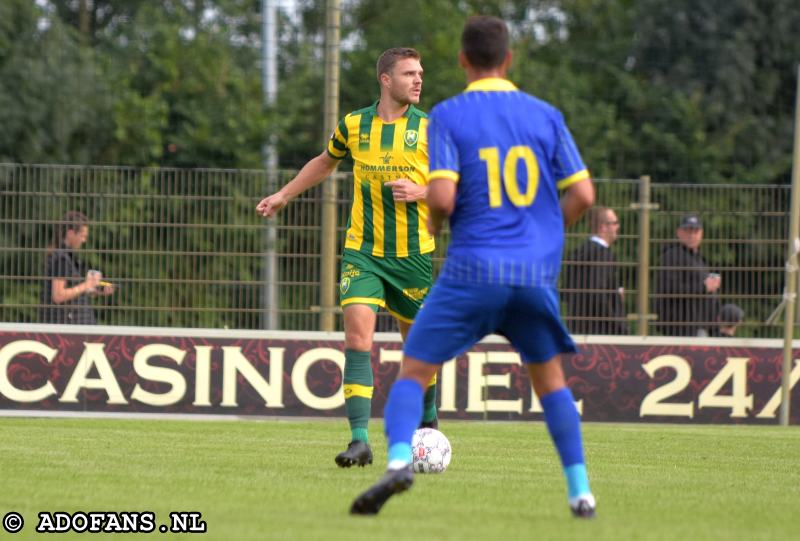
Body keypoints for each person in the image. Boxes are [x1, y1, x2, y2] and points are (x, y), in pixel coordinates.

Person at [351, 16, 596, 518]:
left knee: (413, 369)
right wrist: (544, 235)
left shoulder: (450, 115)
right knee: (550, 382)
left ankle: (399, 460)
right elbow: (584, 194)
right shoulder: (545, 114)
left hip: (471, 271)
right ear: (509, 59)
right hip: (530, 275)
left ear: (463, 61)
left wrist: (439, 226)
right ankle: (580, 491)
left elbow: (441, 194)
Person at [256, 47, 438, 468]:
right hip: (363, 253)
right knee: (357, 339)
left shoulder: (431, 129)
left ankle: (428, 422)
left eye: (420, 73)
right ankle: (359, 440)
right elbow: (325, 162)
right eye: (409, 73)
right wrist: (284, 194)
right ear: (385, 80)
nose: (418, 80)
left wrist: (422, 191)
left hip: (412, 257)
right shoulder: (355, 125)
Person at [39, 210, 114, 324]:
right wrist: (86, 285)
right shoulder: (61, 259)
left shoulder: (68, 257)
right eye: (82, 236)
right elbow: (58, 296)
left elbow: (72, 291)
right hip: (65, 328)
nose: (84, 240)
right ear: (70, 233)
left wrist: (94, 289)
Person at [563, 206, 627, 335]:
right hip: (602, 330)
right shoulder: (602, 255)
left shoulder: (578, 252)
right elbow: (598, 293)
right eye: (615, 223)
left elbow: (566, 292)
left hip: (577, 327)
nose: (618, 227)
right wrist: (617, 325)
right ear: (603, 227)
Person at [654, 214, 721, 336]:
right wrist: (703, 287)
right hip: (681, 327)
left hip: (699, 326)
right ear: (679, 232)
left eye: (696, 231)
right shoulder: (672, 256)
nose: (692, 235)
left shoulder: (700, 259)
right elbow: (668, 288)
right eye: (688, 231)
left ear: (701, 233)